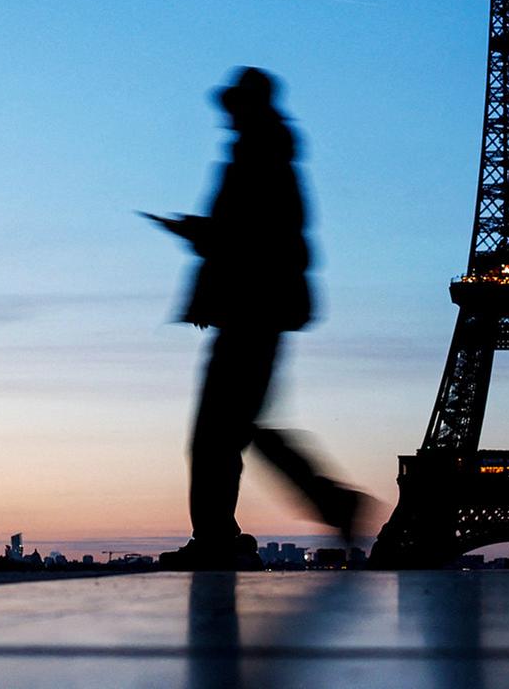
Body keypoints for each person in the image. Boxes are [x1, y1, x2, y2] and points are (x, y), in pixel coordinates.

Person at [146, 67, 365, 570]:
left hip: (251, 311)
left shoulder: (257, 155)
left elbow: (249, 238)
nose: (225, 117)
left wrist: (197, 235)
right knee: (237, 428)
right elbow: (263, 236)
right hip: (258, 309)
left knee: (216, 434)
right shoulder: (269, 152)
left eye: (231, 106)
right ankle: (323, 505)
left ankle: (221, 538)